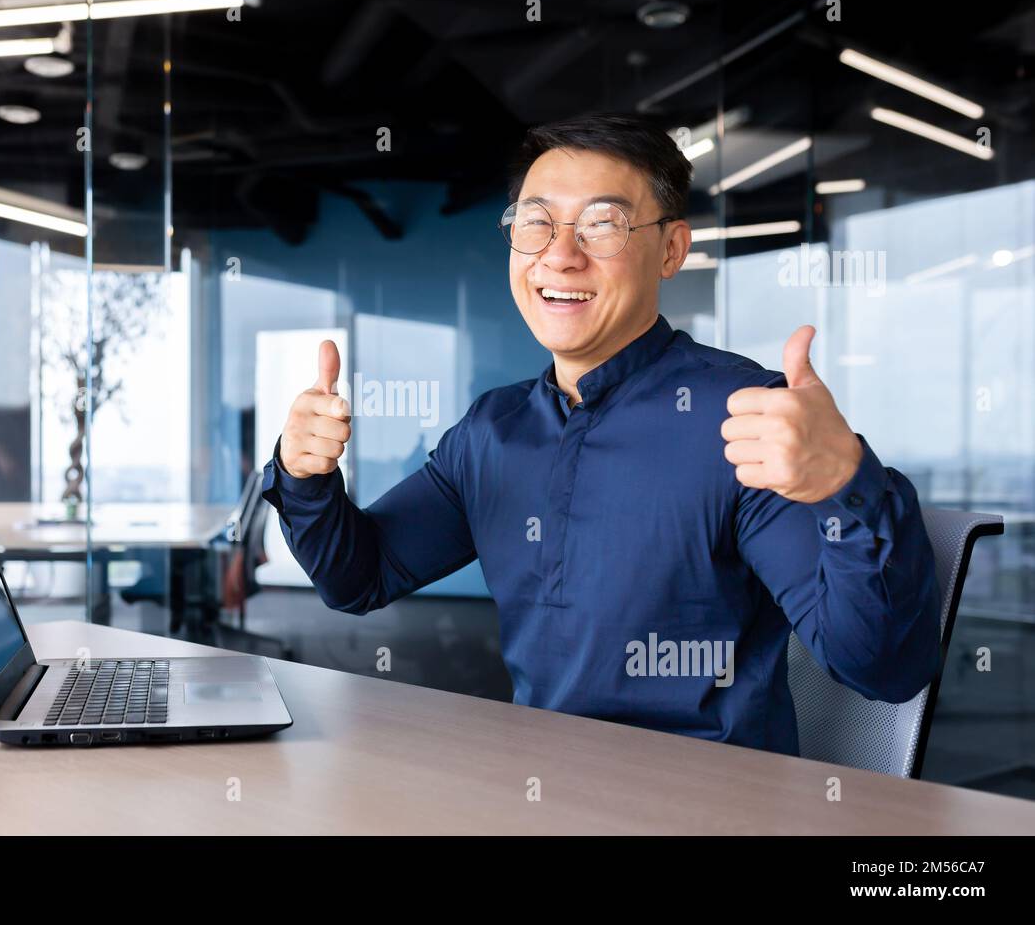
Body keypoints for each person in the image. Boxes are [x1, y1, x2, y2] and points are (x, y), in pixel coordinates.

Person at [260, 112, 940, 755]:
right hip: (543, 787)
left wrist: (850, 486)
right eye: (536, 224)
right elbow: (358, 578)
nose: (560, 255)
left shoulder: (744, 418)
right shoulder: (492, 432)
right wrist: (304, 476)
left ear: (671, 249)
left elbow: (882, 669)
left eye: (603, 225)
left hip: (708, 807)